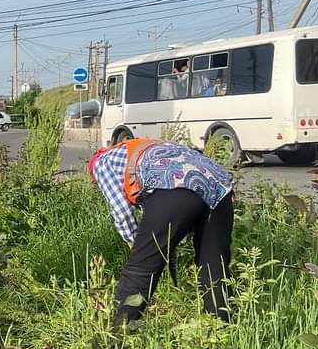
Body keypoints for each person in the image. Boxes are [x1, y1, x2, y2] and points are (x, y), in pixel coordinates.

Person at [88, 138, 234, 327]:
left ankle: (116, 334)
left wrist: (137, 246)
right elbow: (165, 224)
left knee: (140, 270)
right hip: (219, 186)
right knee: (214, 267)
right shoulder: (148, 147)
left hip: (175, 183)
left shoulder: (101, 163)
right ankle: (221, 331)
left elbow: (122, 213)